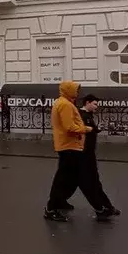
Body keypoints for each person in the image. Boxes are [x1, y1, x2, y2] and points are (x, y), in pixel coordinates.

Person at [43, 80, 92, 222]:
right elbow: (69, 127)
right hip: (69, 146)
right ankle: (51, 208)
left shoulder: (62, 102)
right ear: (68, 90)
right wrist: (87, 129)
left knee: (68, 177)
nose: (77, 92)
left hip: (68, 145)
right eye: (75, 90)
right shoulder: (64, 104)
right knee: (62, 179)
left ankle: (59, 201)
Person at [78, 95, 121, 220]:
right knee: (91, 183)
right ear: (87, 103)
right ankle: (103, 208)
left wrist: (98, 128)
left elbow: (93, 130)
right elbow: (82, 132)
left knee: (93, 182)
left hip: (88, 154)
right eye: (95, 104)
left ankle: (107, 206)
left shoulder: (88, 115)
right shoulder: (81, 115)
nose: (97, 107)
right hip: (84, 155)